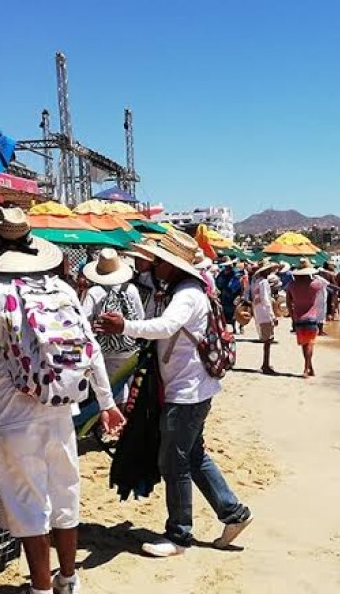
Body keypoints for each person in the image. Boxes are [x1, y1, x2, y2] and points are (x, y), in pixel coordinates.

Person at [0, 208, 125, 594]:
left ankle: (40, 589)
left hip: (11, 412)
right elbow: (90, 350)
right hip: (61, 406)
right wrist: (106, 402)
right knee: (65, 493)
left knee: (27, 502)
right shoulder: (62, 289)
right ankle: (68, 579)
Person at [96, 230, 253, 558]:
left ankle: (179, 535)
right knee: (192, 455)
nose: (152, 266)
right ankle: (232, 512)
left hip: (188, 392)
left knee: (175, 462)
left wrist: (123, 326)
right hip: (190, 388)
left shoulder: (187, 294)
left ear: (171, 266)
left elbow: (165, 327)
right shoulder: (176, 289)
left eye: (158, 262)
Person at [82, 248, 145, 407]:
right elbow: (140, 317)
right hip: (129, 349)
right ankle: (123, 418)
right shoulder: (131, 289)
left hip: (104, 350)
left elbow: (83, 322)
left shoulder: (94, 292)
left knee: (105, 386)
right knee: (124, 385)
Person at [287, 258, 323, 378]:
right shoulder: (315, 284)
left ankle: (309, 367)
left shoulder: (292, 285)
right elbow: (323, 287)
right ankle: (306, 368)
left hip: (298, 317)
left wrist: (292, 317)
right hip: (312, 317)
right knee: (310, 344)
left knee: (304, 344)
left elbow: (288, 303)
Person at [251, 260, 279, 374]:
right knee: (268, 340)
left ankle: (266, 363)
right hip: (265, 313)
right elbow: (266, 300)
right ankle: (265, 364)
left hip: (259, 312)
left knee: (266, 339)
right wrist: (272, 316)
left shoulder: (256, 282)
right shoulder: (264, 283)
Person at [215, 261, 241, 334]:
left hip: (233, 296)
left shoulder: (235, 274)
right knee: (224, 313)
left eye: (228, 266)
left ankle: (236, 328)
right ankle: (224, 328)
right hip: (224, 296)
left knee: (234, 313)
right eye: (226, 266)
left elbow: (238, 285)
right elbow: (218, 283)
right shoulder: (222, 274)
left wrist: (238, 296)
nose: (227, 268)